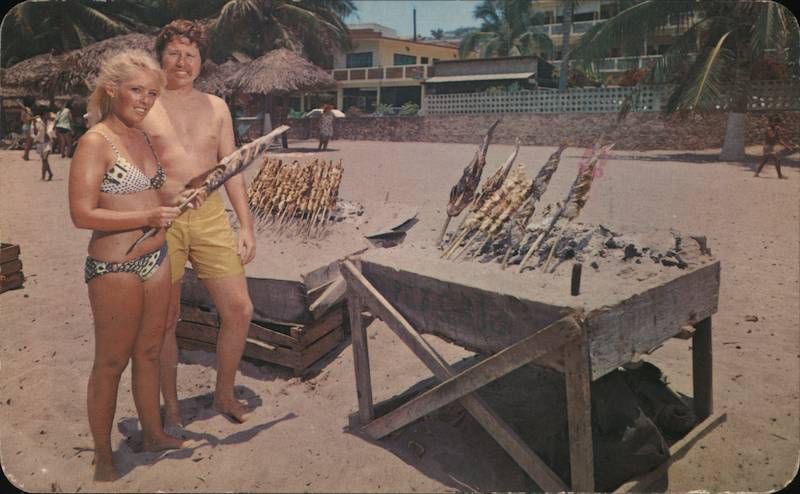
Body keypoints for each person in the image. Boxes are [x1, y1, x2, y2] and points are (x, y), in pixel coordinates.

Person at [68, 50, 186, 481]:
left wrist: (179, 199)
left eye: (152, 94)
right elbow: (82, 214)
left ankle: (152, 434)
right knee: (111, 361)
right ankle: (103, 454)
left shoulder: (143, 137)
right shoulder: (95, 142)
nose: (145, 101)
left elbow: (151, 196)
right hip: (115, 267)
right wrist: (147, 216)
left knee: (150, 353)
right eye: (137, 90)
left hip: (156, 257)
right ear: (111, 90)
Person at [139, 19, 256, 430]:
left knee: (239, 309)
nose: (182, 62)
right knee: (165, 319)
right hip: (161, 220)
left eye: (190, 54)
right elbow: (123, 165)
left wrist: (246, 225)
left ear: (201, 61)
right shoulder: (144, 104)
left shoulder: (217, 107)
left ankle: (224, 392)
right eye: (174, 53)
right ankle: (171, 408)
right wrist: (160, 194)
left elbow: (231, 169)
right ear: (161, 57)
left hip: (209, 216)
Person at [31, 106, 55, 180]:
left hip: (48, 142)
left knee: (45, 159)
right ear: (44, 114)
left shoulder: (50, 122)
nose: (49, 115)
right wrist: (34, 123)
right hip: (40, 142)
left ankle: (48, 175)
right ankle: (46, 175)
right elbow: (33, 132)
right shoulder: (36, 121)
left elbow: (52, 131)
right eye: (48, 113)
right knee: (44, 160)